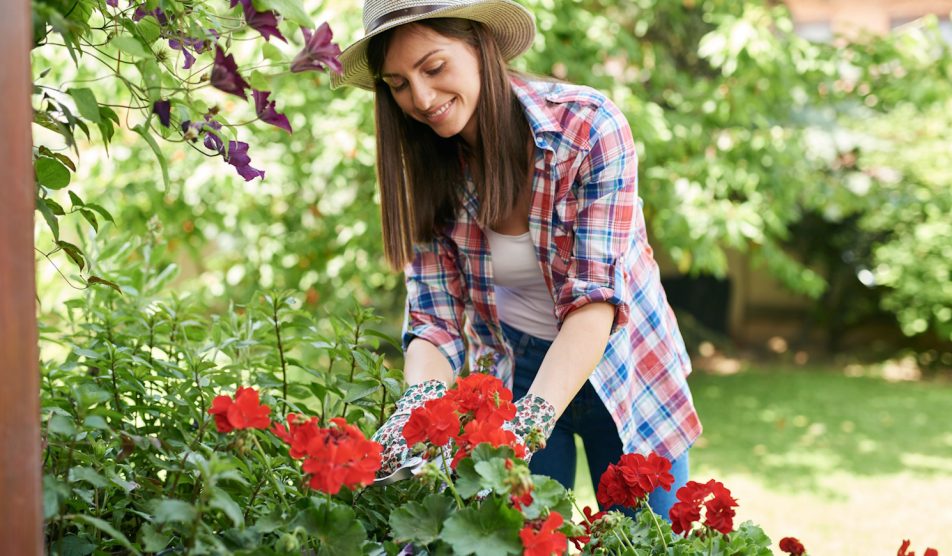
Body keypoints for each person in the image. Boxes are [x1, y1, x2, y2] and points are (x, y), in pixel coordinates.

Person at [332, 0, 701, 519]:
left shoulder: (587, 127)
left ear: (479, 43)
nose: (421, 98)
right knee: (520, 539)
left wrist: (528, 426)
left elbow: (595, 300)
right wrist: (418, 409)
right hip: (514, 367)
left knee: (648, 542)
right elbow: (434, 322)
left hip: (626, 367)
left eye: (433, 68)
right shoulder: (428, 165)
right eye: (398, 84)